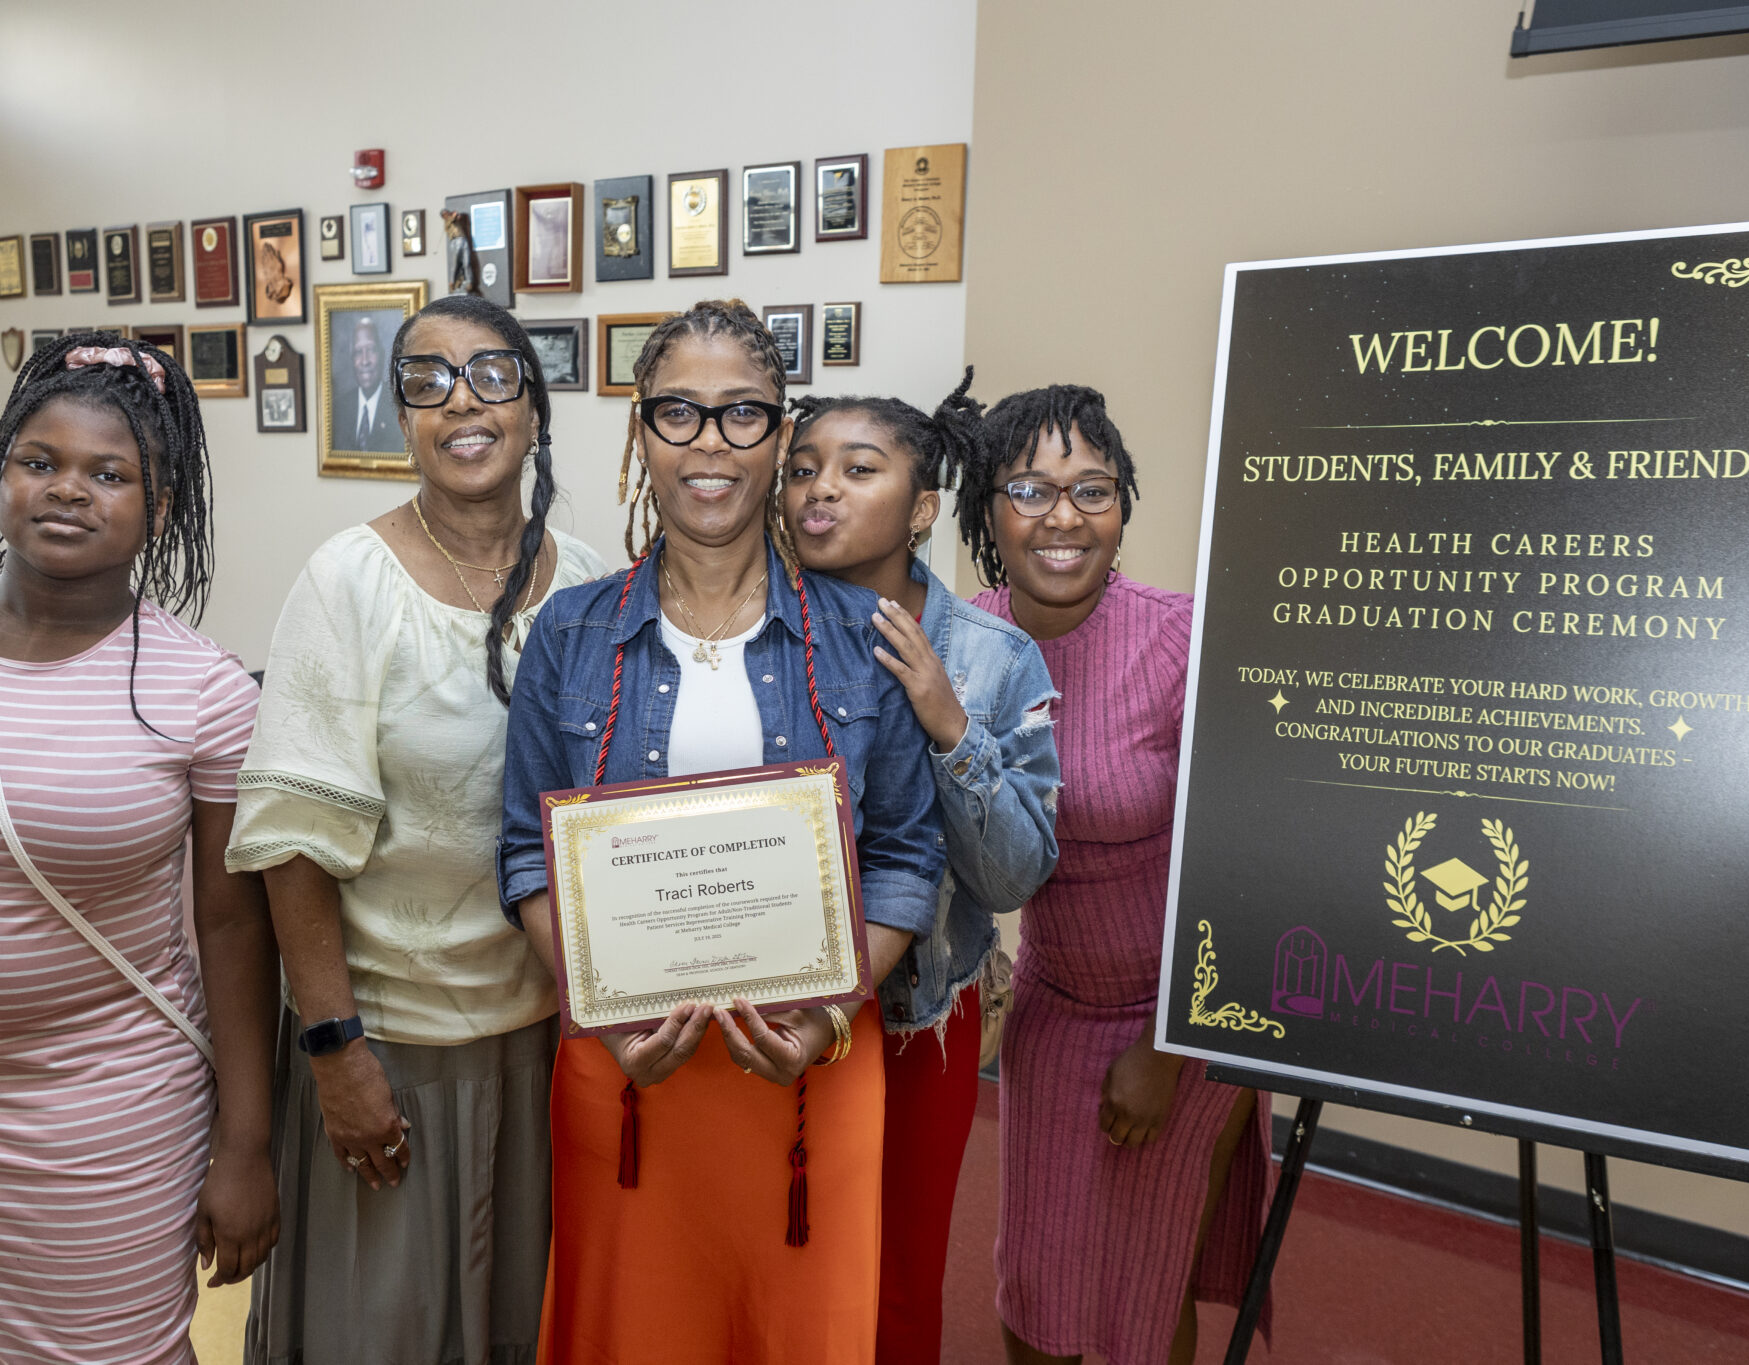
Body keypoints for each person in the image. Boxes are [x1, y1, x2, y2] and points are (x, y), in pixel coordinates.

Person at [499, 299, 947, 1364]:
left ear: (781, 434)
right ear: (639, 435)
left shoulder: (858, 639)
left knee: (796, 1334)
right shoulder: (568, 631)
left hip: (814, 1069)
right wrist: (607, 1016)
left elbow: (905, 857)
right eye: (678, 413)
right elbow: (525, 849)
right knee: (632, 1332)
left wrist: (827, 1011)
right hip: (625, 1071)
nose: (709, 443)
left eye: (742, 414)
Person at [0, 333, 280, 1363]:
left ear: (160, 509)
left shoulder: (201, 691)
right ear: (0, 478)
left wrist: (246, 1143)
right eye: (41, 461)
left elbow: (230, 925)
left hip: (107, 1103)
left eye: (109, 474)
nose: (68, 491)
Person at [226, 293, 603, 1365]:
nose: (461, 402)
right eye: (426, 381)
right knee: (385, 1336)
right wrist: (335, 1052)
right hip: (390, 1046)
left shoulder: (584, 582)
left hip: (544, 1039)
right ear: (402, 418)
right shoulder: (347, 583)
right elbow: (291, 845)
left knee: (518, 1327)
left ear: (533, 409)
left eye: (491, 374)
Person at [957, 386, 1272, 1365]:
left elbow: (1244, 856)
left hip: (1179, 1013)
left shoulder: (1179, 638)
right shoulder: (962, 642)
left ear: (1122, 505)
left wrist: (1168, 1045)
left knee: (1143, 1284)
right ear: (986, 510)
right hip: (1053, 1003)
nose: (1062, 517)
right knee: (1034, 1282)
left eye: (1090, 489)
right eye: (1030, 489)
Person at [781, 371, 1061, 1363]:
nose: (821, 488)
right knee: (772, 1270)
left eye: (859, 470)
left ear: (924, 507)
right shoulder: (742, 629)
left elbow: (1013, 879)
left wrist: (950, 728)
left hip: (911, 1022)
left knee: (892, 1285)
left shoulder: (990, 658)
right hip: (761, 1008)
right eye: (803, 468)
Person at [333, 314, 400, 453]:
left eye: (370, 350)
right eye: (358, 352)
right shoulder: (338, 409)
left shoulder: (397, 407)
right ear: (352, 359)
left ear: (381, 355)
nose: (365, 361)